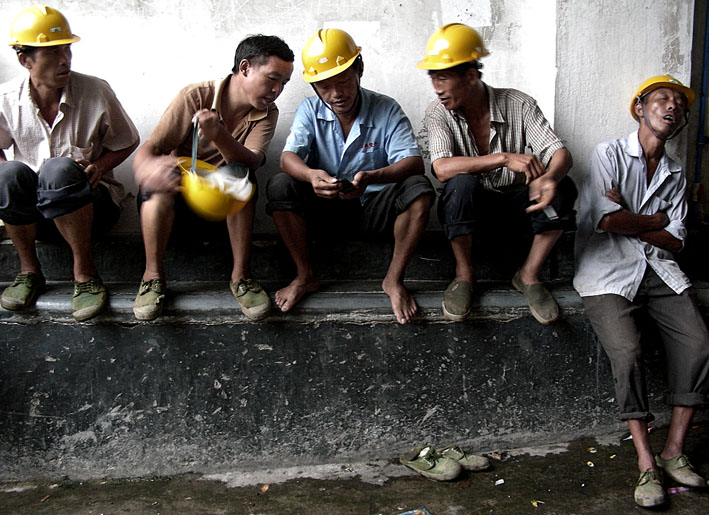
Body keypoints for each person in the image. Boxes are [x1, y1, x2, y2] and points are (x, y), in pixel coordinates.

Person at [574, 75, 709, 508]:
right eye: (662, 99)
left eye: (680, 105)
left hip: (660, 271)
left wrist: (631, 217)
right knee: (627, 351)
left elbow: (678, 241)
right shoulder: (608, 153)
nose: (672, 108)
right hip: (608, 271)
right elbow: (606, 222)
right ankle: (645, 461)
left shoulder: (675, 173)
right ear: (640, 108)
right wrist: (653, 221)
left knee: (699, 344)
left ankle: (673, 451)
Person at [266, 28, 434, 325]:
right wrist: (311, 175)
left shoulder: (386, 108)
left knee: (418, 187)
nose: (336, 94)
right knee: (281, 185)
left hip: (374, 213)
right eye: (324, 86)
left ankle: (393, 280)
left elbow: (412, 162)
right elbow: (287, 159)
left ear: (359, 69)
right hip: (324, 211)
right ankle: (306, 276)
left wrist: (371, 177)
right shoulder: (309, 109)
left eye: (342, 81)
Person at [417, 23, 576, 325]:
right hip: (473, 217)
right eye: (432, 78)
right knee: (459, 183)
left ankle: (528, 276)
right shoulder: (438, 112)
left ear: (471, 75)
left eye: (442, 78)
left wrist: (549, 178)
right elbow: (441, 168)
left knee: (564, 185)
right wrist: (503, 158)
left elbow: (560, 153)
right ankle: (464, 276)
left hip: (520, 211)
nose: (437, 88)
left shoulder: (519, 103)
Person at [132, 35, 294, 321]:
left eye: (283, 83)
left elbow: (253, 160)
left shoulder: (267, 112)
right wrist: (151, 171)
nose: (277, 90)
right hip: (178, 210)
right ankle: (152, 277)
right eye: (272, 79)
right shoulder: (195, 96)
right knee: (160, 181)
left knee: (240, 176)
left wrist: (218, 134)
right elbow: (147, 153)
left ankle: (241, 277)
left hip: (224, 213)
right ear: (245, 68)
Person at [0, 5, 139, 322]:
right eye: (51, 53)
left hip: (90, 208)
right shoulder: (5, 98)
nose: (65, 60)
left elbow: (127, 139)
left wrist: (100, 167)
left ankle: (85, 274)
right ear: (25, 60)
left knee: (59, 168)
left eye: (66, 49)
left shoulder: (95, 91)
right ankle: (29, 272)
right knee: (7, 173)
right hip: (35, 215)